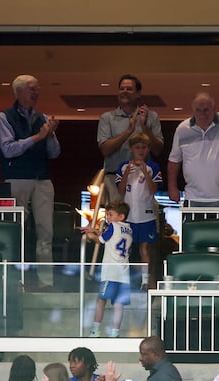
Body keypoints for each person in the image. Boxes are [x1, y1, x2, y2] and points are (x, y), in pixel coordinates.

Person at [0, 74, 61, 289]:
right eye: (32, 89)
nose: (36, 92)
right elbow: (8, 149)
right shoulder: (4, 117)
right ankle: (16, 281)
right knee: (17, 231)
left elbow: (55, 153)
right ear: (19, 92)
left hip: (42, 178)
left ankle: (45, 281)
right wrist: (37, 138)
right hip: (17, 178)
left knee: (45, 231)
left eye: (37, 89)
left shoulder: (42, 118)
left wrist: (50, 134)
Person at [97, 74, 164, 203]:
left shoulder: (151, 116)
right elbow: (105, 149)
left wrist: (145, 127)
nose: (124, 92)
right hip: (114, 178)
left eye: (129, 89)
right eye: (122, 89)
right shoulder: (107, 118)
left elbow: (158, 150)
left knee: (142, 219)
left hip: (143, 177)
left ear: (138, 93)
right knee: (117, 220)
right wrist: (128, 131)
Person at [116, 133, 163, 289]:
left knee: (145, 248)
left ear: (148, 148)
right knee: (126, 249)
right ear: (131, 149)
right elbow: (120, 191)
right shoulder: (123, 166)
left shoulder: (152, 167)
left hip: (146, 215)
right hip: (128, 216)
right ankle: (125, 280)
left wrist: (144, 172)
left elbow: (153, 190)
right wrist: (126, 175)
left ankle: (145, 280)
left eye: (144, 147)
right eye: (137, 148)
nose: (141, 151)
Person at [81, 201, 133, 338]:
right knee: (118, 303)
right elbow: (110, 237)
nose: (108, 218)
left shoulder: (113, 226)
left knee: (101, 300)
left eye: (110, 215)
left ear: (121, 216)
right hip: (124, 272)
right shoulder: (129, 229)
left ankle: (95, 329)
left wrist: (91, 235)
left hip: (110, 271)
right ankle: (115, 331)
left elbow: (101, 240)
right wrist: (97, 231)